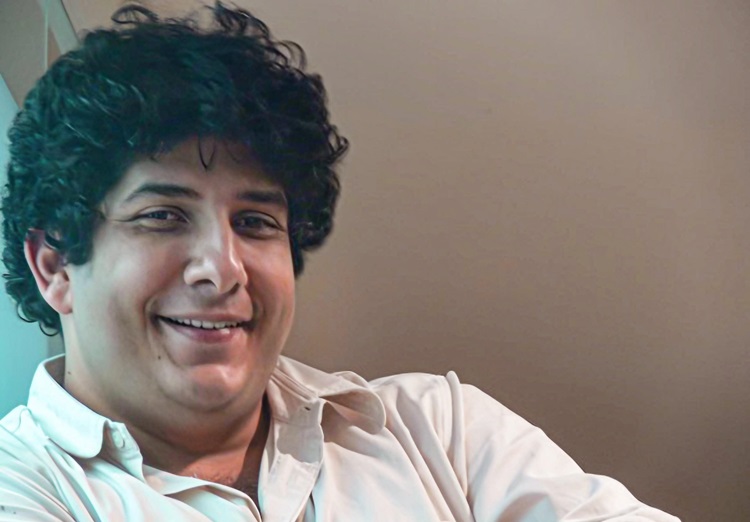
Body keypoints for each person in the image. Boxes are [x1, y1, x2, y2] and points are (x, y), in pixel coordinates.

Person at [0, 3, 679, 521]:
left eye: (255, 222)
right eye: (163, 216)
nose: (224, 269)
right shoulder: (22, 489)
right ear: (55, 265)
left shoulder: (440, 430)